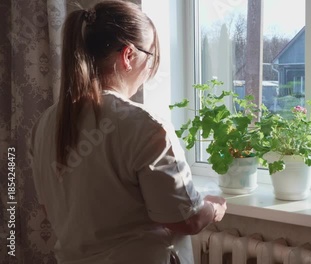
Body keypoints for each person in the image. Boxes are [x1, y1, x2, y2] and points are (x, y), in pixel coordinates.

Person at [28, 1, 227, 263]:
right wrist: (213, 208)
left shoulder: (44, 124)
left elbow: (50, 206)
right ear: (128, 55)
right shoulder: (144, 125)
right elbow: (186, 221)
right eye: (152, 57)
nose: (150, 70)